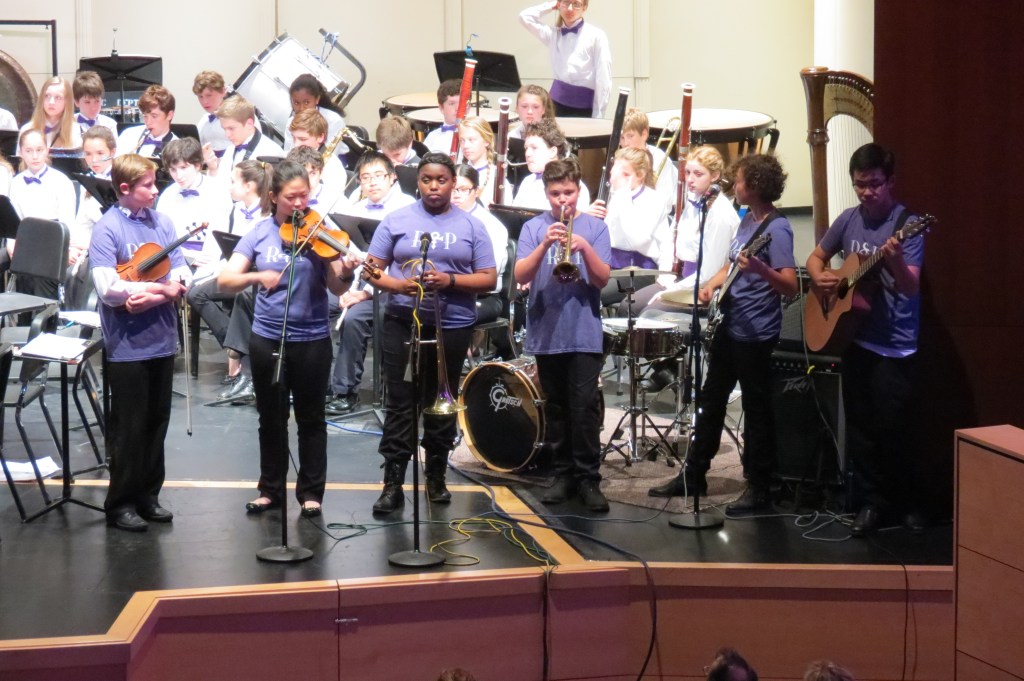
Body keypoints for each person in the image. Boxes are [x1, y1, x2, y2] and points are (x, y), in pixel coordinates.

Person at [648, 154, 797, 512]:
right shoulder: (747, 220)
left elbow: (790, 285)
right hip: (731, 326)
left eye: (740, 180)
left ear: (755, 185)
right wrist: (713, 284)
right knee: (711, 399)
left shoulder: (778, 228)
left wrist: (761, 270)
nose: (735, 186)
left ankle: (760, 486)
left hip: (756, 333)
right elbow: (733, 263)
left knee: (756, 410)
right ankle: (694, 474)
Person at [217, 160, 354, 517]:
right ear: (274, 196)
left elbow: (337, 287)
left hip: (312, 339)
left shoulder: (320, 231)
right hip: (268, 338)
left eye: (304, 196)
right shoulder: (259, 233)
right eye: (291, 197)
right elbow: (225, 280)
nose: (299, 204)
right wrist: (257, 276)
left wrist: (346, 271)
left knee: (312, 419)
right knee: (271, 418)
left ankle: (311, 493)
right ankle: (270, 489)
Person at [362, 152, 497, 514]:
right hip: (402, 321)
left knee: (441, 402)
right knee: (400, 402)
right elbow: (371, 270)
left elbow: (488, 278)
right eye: (426, 180)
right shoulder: (396, 219)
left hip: (451, 323)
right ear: (417, 183)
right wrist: (398, 285)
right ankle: (393, 483)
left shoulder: (472, 226)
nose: (434, 186)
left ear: (453, 183)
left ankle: (436, 475)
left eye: (441, 180)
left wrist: (449, 280)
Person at [805, 143, 926, 536]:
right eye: (860, 184)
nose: (867, 192)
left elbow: (910, 287)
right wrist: (821, 278)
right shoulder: (848, 219)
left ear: (890, 181)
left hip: (895, 342)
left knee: (894, 429)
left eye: (874, 184)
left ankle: (906, 503)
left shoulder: (907, 224)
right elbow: (815, 258)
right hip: (855, 339)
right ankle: (872, 503)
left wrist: (894, 258)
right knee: (860, 427)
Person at [89, 154, 192, 531]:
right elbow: (108, 287)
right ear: (125, 188)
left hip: (161, 339)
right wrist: (159, 289)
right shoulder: (107, 228)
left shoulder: (163, 223)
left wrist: (155, 296)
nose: (155, 190)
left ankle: (149, 496)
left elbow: (183, 273)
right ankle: (120, 503)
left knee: (155, 423)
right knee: (129, 428)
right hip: (127, 346)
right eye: (147, 185)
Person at [515, 157, 611, 511]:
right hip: (546, 329)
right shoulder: (533, 227)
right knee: (555, 407)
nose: (563, 200)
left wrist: (584, 247)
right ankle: (563, 474)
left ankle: (588, 478)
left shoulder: (596, 228)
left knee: (584, 408)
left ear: (578, 191)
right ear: (547, 193)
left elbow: (602, 279)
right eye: (556, 194)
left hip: (583, 330)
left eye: (568, 192)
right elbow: (520, 276)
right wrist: (544, 245)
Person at [326, 151, 415, 415]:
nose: (372, 182)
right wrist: (347, 276)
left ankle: (348, 390)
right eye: (365, 178)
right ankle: (324, 384)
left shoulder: (406, 208)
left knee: (354, 318)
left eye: (378, 176)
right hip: (358, 284)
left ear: (392, 177)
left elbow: (400, 260)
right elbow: (351, 254)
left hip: (395, 287)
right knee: (315, 305)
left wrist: (364, 293)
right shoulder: (355, 210)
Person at [189, 159, 272, 391]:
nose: (230, 186)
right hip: (234, 274)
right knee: (196, 293)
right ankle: (236, 349)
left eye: (234, 181)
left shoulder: (267, 215)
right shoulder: (235, 210)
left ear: (249, 186)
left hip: (256, 279)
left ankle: (238, 357)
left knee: (234, 296)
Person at [633, 146, 739, 313]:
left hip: (701, 286)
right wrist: (666, 276)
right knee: (629, 305)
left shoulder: (720, 214)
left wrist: (672, 291)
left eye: (698, 174)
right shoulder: (692, 200)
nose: (690, 179)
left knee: (650, 313)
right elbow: (672, 239)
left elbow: (709, 273)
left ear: (715, 176)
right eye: (688, 172)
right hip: (680, 278)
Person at [586, 146, 670, 310]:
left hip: (639, 272)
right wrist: (588, 217)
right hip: (612, 267)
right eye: (614, 171)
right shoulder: (617, 196)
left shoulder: (654, 200)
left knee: (592, 293)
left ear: (640, 175)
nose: (614, 177)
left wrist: (623, 197)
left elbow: (637, 240)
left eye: (625, 174)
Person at [452, 164, 513, 360]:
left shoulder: (491, 225)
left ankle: (454, 364)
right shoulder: (439, 220)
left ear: (476, 191)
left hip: (484, 297)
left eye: (462, 189)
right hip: (447, 292)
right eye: (452, 189)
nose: (455, 195)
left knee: (448, 316)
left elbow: (488, 275)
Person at [519, 0, 612, 118]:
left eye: (576, 4)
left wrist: (599, 114)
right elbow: (524, 17)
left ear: (584, 7)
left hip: (583, 108)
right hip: (554, 105)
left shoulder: (597, 36)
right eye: (566, 2)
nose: (570, 8)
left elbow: (604, 78)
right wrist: (551, 5)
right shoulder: (553, 34)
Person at [156, 137, 231, 262]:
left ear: (197, 165)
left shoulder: (218, 191)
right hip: (174, 257)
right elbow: (161, 235)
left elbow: (217, 240)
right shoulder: (168, 194)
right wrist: (185, 256)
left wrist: (203, 260)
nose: (178, 176)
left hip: (207, 259)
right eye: (173, 169)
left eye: (183, 167)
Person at [513, 119, 591, 210]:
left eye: (534, 148)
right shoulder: (527, 181)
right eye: (526, 148)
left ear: (553, 152)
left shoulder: (572, 186)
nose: (527, 154)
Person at [70, 125, 117, 267]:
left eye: (100, 153)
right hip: (89, 248)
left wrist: (90, 245)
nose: (94, 160)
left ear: (113, 152)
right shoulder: (87, 180)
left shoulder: (121, 179)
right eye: (88, 154)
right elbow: (82, 223)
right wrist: (74, 249)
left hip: (113, 251)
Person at [205, 95, 284, 180]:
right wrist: (213, 169)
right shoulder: (230, 149)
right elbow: (221, 183)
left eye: (231, 128)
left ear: (249, 124)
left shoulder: (271, 151)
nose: (227, 135)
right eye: (224, 129)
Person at [620, 107, 676, 211]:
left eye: (630, 136)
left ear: (644, 134)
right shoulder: (619, 160)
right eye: (622, 137)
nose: (625, 143)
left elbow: (666, 203)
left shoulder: (659, 159)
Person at [193, 70, 256, 161]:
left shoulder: (242, 115)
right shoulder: (203, 121)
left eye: (209, 95)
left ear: (223, 91)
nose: (204, 101)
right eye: (200, 97)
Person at [288, 108, 347, 201]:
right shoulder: (290, 156)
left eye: (302, 139)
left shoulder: (333, 167)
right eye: (294, 138)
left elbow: (330, 202)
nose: (296, 144)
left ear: (320, 137)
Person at [18, 77, 82, 158]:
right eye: (47, 96)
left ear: (67, 102)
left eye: (58, 97)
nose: (51, 102)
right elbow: (19, 162)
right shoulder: (27, 129)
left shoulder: (74, 130)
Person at [283, 74, 345, 153]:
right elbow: (288, 152)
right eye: (296, 103)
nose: (301, 108)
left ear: (317, 99)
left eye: (306, 102)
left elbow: (328, 155)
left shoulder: (333, 121)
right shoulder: (291, 122)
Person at [458, 115, 510, 207]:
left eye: (471, 140)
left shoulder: (497, 178)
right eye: (462, 140)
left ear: (487, 141)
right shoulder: (456, 173)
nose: (465, 146)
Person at [116, 85, 177, 158]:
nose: (148, 122)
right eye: (145, 116)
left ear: (169, 115)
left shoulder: (177, 149)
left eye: (154, 116)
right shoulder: (129, 134)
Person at [72, 70, 119, 138]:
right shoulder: (67, 125)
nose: (93, 107)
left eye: (97, 101)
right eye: (87, 102)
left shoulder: (109, 124)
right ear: (76, 102)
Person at [422, 79, 461, 154]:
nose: (457, 108)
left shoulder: (476, 136)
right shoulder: (432, 137)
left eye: (461, 103)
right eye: (452, 104)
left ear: (468, 107)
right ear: (441, 108)